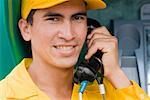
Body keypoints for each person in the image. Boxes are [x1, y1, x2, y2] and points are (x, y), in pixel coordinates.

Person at [0, 0, 149, 100]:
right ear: (26, 29)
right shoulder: (6, 95)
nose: (69, 34)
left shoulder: (107, 90)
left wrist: (115, 73)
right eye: (53, 19)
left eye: (77, 18)